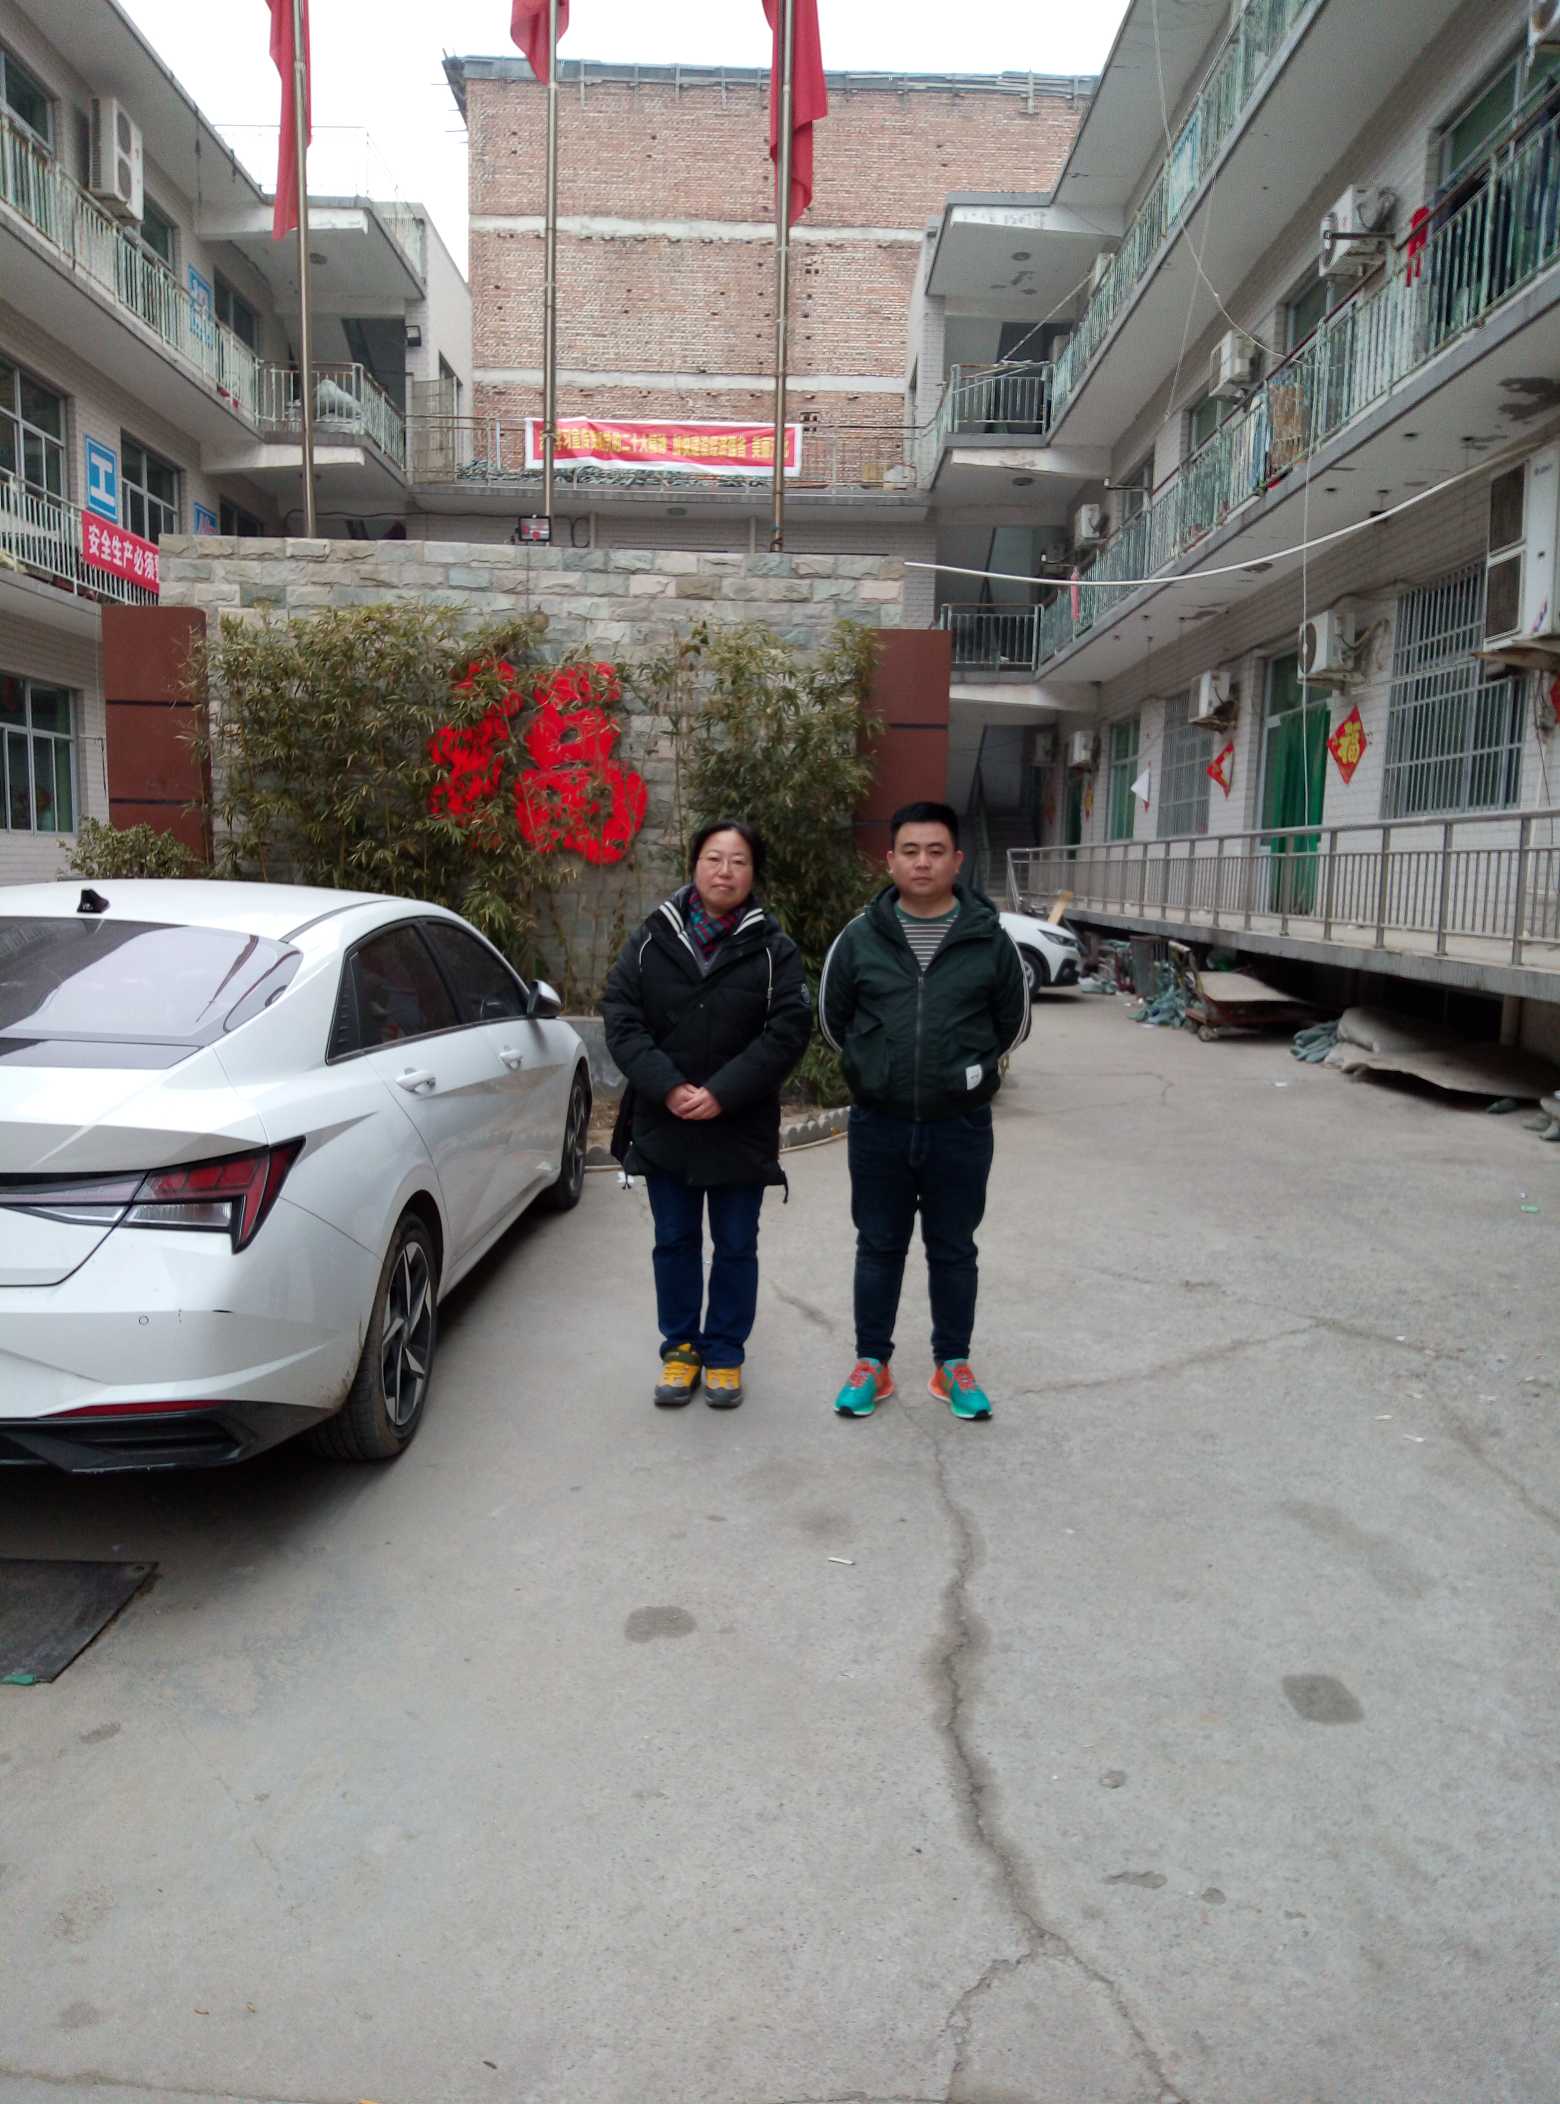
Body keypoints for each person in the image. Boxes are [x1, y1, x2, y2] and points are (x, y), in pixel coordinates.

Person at [819, 800, 1029, 1422]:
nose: (922, 862)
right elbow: (832, 1020)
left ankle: (952, 1364)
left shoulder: (990, 939)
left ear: (956, 860)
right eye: (910, 851)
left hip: (959, 1125)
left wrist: (966, 1071)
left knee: (954, 1248)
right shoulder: (859, 937)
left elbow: (1012, 1024)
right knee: (878, 1245)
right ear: (890, 860)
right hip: (878, 1123)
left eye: (936, 851)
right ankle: (871, 1364)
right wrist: (873, 1070)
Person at [603, 820, 811, 1409]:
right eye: (714, 858)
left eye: (738, 861)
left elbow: (787, 1031)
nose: (725, 871)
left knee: (736, 1243)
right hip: (664, 1121)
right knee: (673, 1241)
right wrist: (667, 1086)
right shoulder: (652, 939)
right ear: (694, 865)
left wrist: (722, 1091)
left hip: (739, 1125)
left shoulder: (773, 949)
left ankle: (724, 1352)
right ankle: (680, 1349)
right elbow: (620, 1015)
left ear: (753, 873)